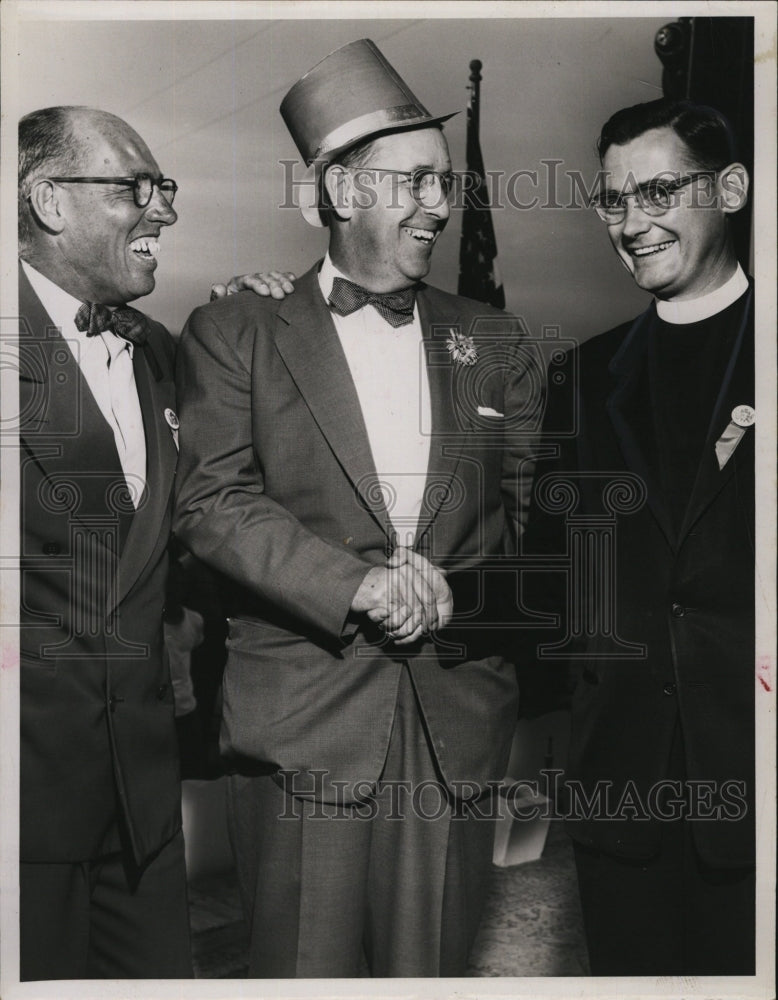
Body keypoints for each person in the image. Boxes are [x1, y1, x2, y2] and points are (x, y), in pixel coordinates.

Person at [173, 38, 544, 978]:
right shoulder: (235, 331)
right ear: (339, 193)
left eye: (444, 182)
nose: (438, 204)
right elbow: (213, 503)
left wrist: (465, 599)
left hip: (455, 729)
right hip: (304, 731)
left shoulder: (496, 339)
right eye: (413, 181)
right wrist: (361, 586)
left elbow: (535, 524)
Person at [16, 105, 287, 980]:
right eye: (135, 188)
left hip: (142, 802)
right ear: (49, 200)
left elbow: (211, 519)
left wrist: (253, 333)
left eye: (162, 187)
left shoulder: (161, 354)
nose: (162, 210)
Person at [522, 98, 754, 975]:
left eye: (658, 191)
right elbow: (547, 583)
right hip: (621, 801)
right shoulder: (580, 377)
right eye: (613, 200)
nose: (632, 223)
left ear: (731, 189)